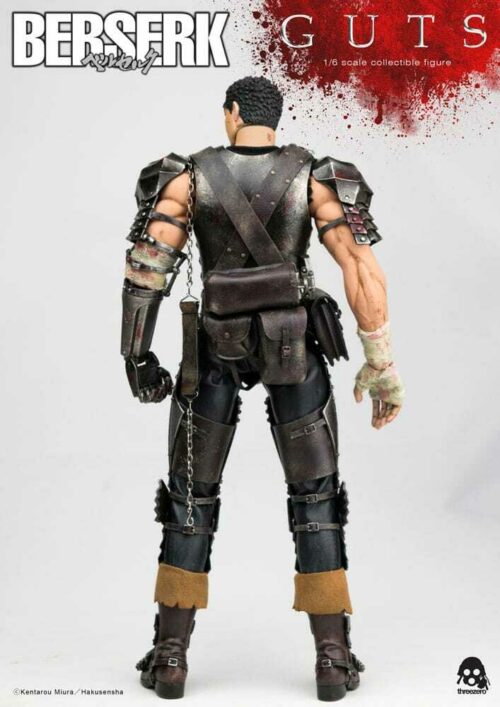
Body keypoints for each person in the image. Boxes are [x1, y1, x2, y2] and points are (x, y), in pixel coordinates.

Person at [121, 76, 404, 702]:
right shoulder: (318, 177)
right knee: (317, 499)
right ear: (275, 119)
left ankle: (170, 658)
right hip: (292, 346)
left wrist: (135, 356)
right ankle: (333, 659)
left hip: (212, 347)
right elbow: (361, 266)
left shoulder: (186, 177)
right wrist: (380, 361)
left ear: (231, 115)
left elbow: (147, 266)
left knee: (189, 497)